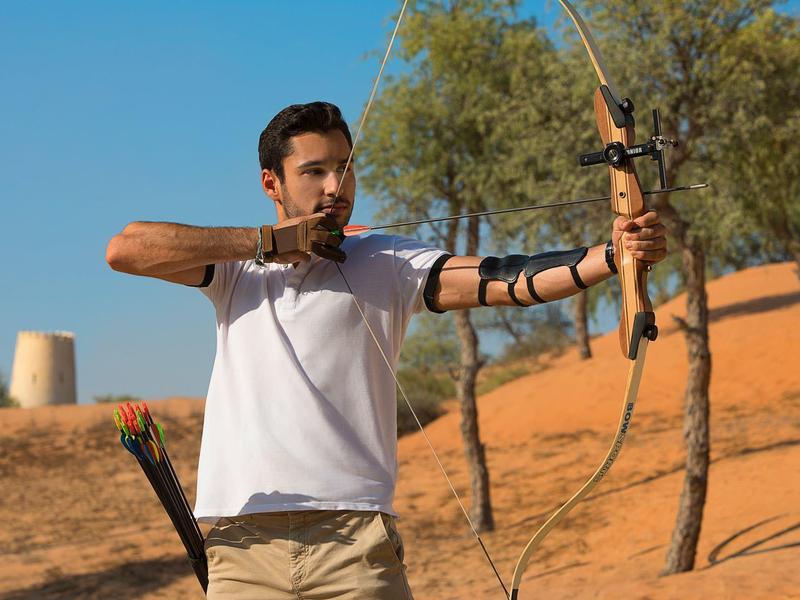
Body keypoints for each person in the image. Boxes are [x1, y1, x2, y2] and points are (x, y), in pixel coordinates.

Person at [105, 101, 667, 599]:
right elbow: (126, 248)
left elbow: (505, 280)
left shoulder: (386, 262)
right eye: (314, 172)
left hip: (354, 548)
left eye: (344, 170)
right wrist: (267, 243)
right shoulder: (236, 271)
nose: (334, 187)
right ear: (271, 184)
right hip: (243, 548)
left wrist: (612, 256)